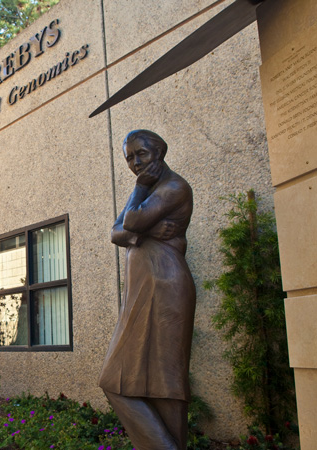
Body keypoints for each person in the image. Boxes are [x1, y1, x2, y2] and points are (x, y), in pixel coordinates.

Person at [99, 130, 195, 450]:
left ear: (160, 152)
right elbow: (117, 232)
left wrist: (138, 216)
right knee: (122, 381)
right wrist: (145, 227)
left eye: (141, 154)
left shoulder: (174, 187)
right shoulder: (147, 190)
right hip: (143, 287)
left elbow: (131, 222)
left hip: (166, 285)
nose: (135, 163)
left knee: (165, 382)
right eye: (129, 157)